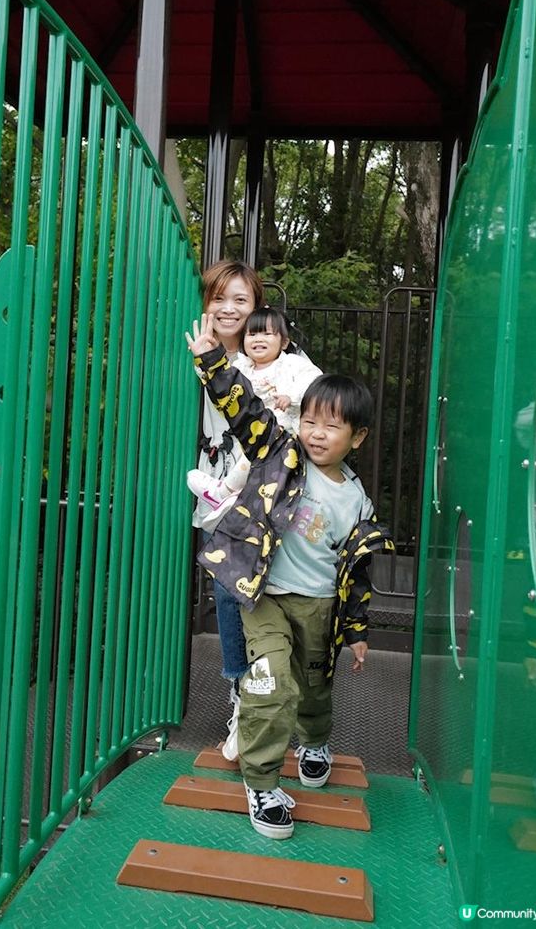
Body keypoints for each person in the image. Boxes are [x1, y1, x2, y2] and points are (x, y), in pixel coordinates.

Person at [186, 313, 394, 841]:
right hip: (266, 598)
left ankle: (315, 740)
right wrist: (213, 361)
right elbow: (245, 410)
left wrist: (359, 630)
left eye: (332, 425)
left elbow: (358, 573)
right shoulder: (280, 455)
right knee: (270, 685)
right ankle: (260, 783)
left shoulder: (357, 501)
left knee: (314, 691)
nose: (316, 433)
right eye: (310, 420)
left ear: (357, 437)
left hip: (319, 608)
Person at [193, 260, 265, 760]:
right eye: (220, 297)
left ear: (256, 306)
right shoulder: (192, 351)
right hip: (207, 486)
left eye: (240, 299)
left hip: (255, 490)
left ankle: (247, 694)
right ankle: (244, 692)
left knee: (238, 590)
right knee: (226, 591)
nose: (229, 308)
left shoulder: (272, 354)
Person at [187, 306, 322, 530]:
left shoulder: (291, 365)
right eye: (252, 334)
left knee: (258, 460)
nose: (258, 339)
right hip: (248, 439)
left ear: (284, 342)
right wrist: (205, 356)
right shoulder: (242, 367)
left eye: (267, 334)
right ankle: (233, 499)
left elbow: (315, 382)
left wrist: (293, 397)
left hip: (280, 440)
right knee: (247, 464)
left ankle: (222, 492)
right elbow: (216, 381)